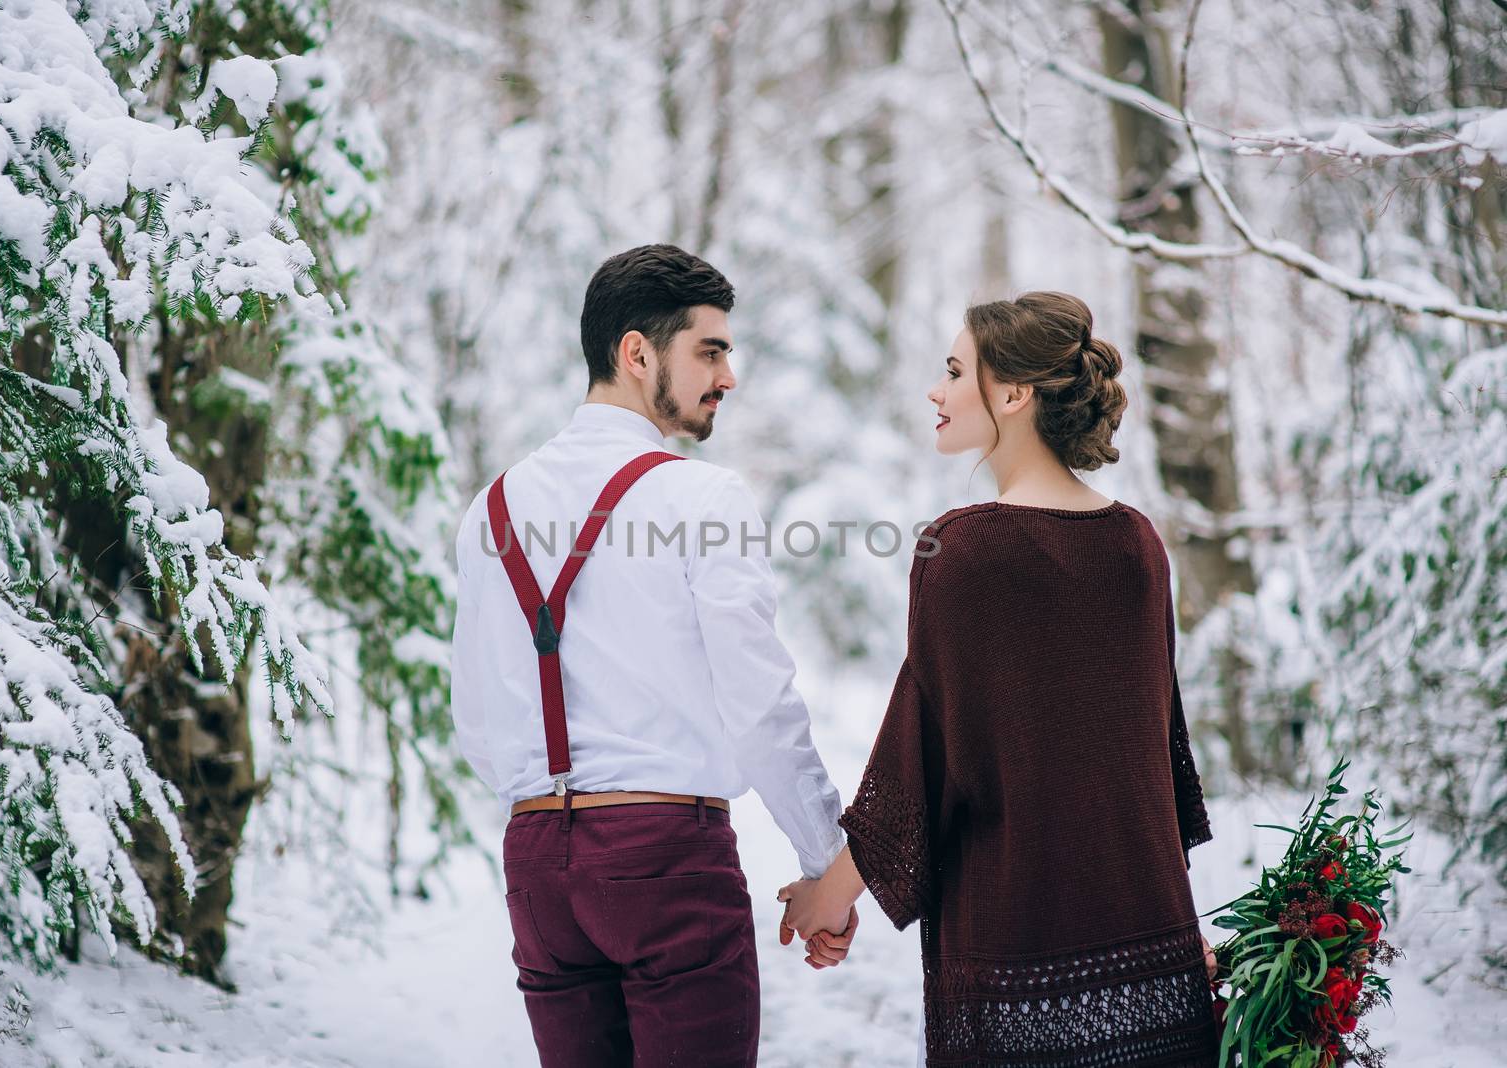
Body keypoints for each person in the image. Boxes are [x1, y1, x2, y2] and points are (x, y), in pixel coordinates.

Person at [778, 291, 1221, 1067]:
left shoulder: (965, 551)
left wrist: (830, 895)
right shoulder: (1140, 546)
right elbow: (1152, 758)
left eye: (954, 371)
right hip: (1154, 963)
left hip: (1018, 966)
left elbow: (921, 766)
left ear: (1014, 395)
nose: (936, 391)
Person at [450, 244, 856, 1068]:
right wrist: (826, 863)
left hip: (536, 864)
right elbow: (760, 704)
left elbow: (478, 723)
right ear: (637, 353)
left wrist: (554, 813)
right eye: (710, 350)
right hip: (667, 857)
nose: (728, 375)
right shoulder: (702, 497)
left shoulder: (489, 509)